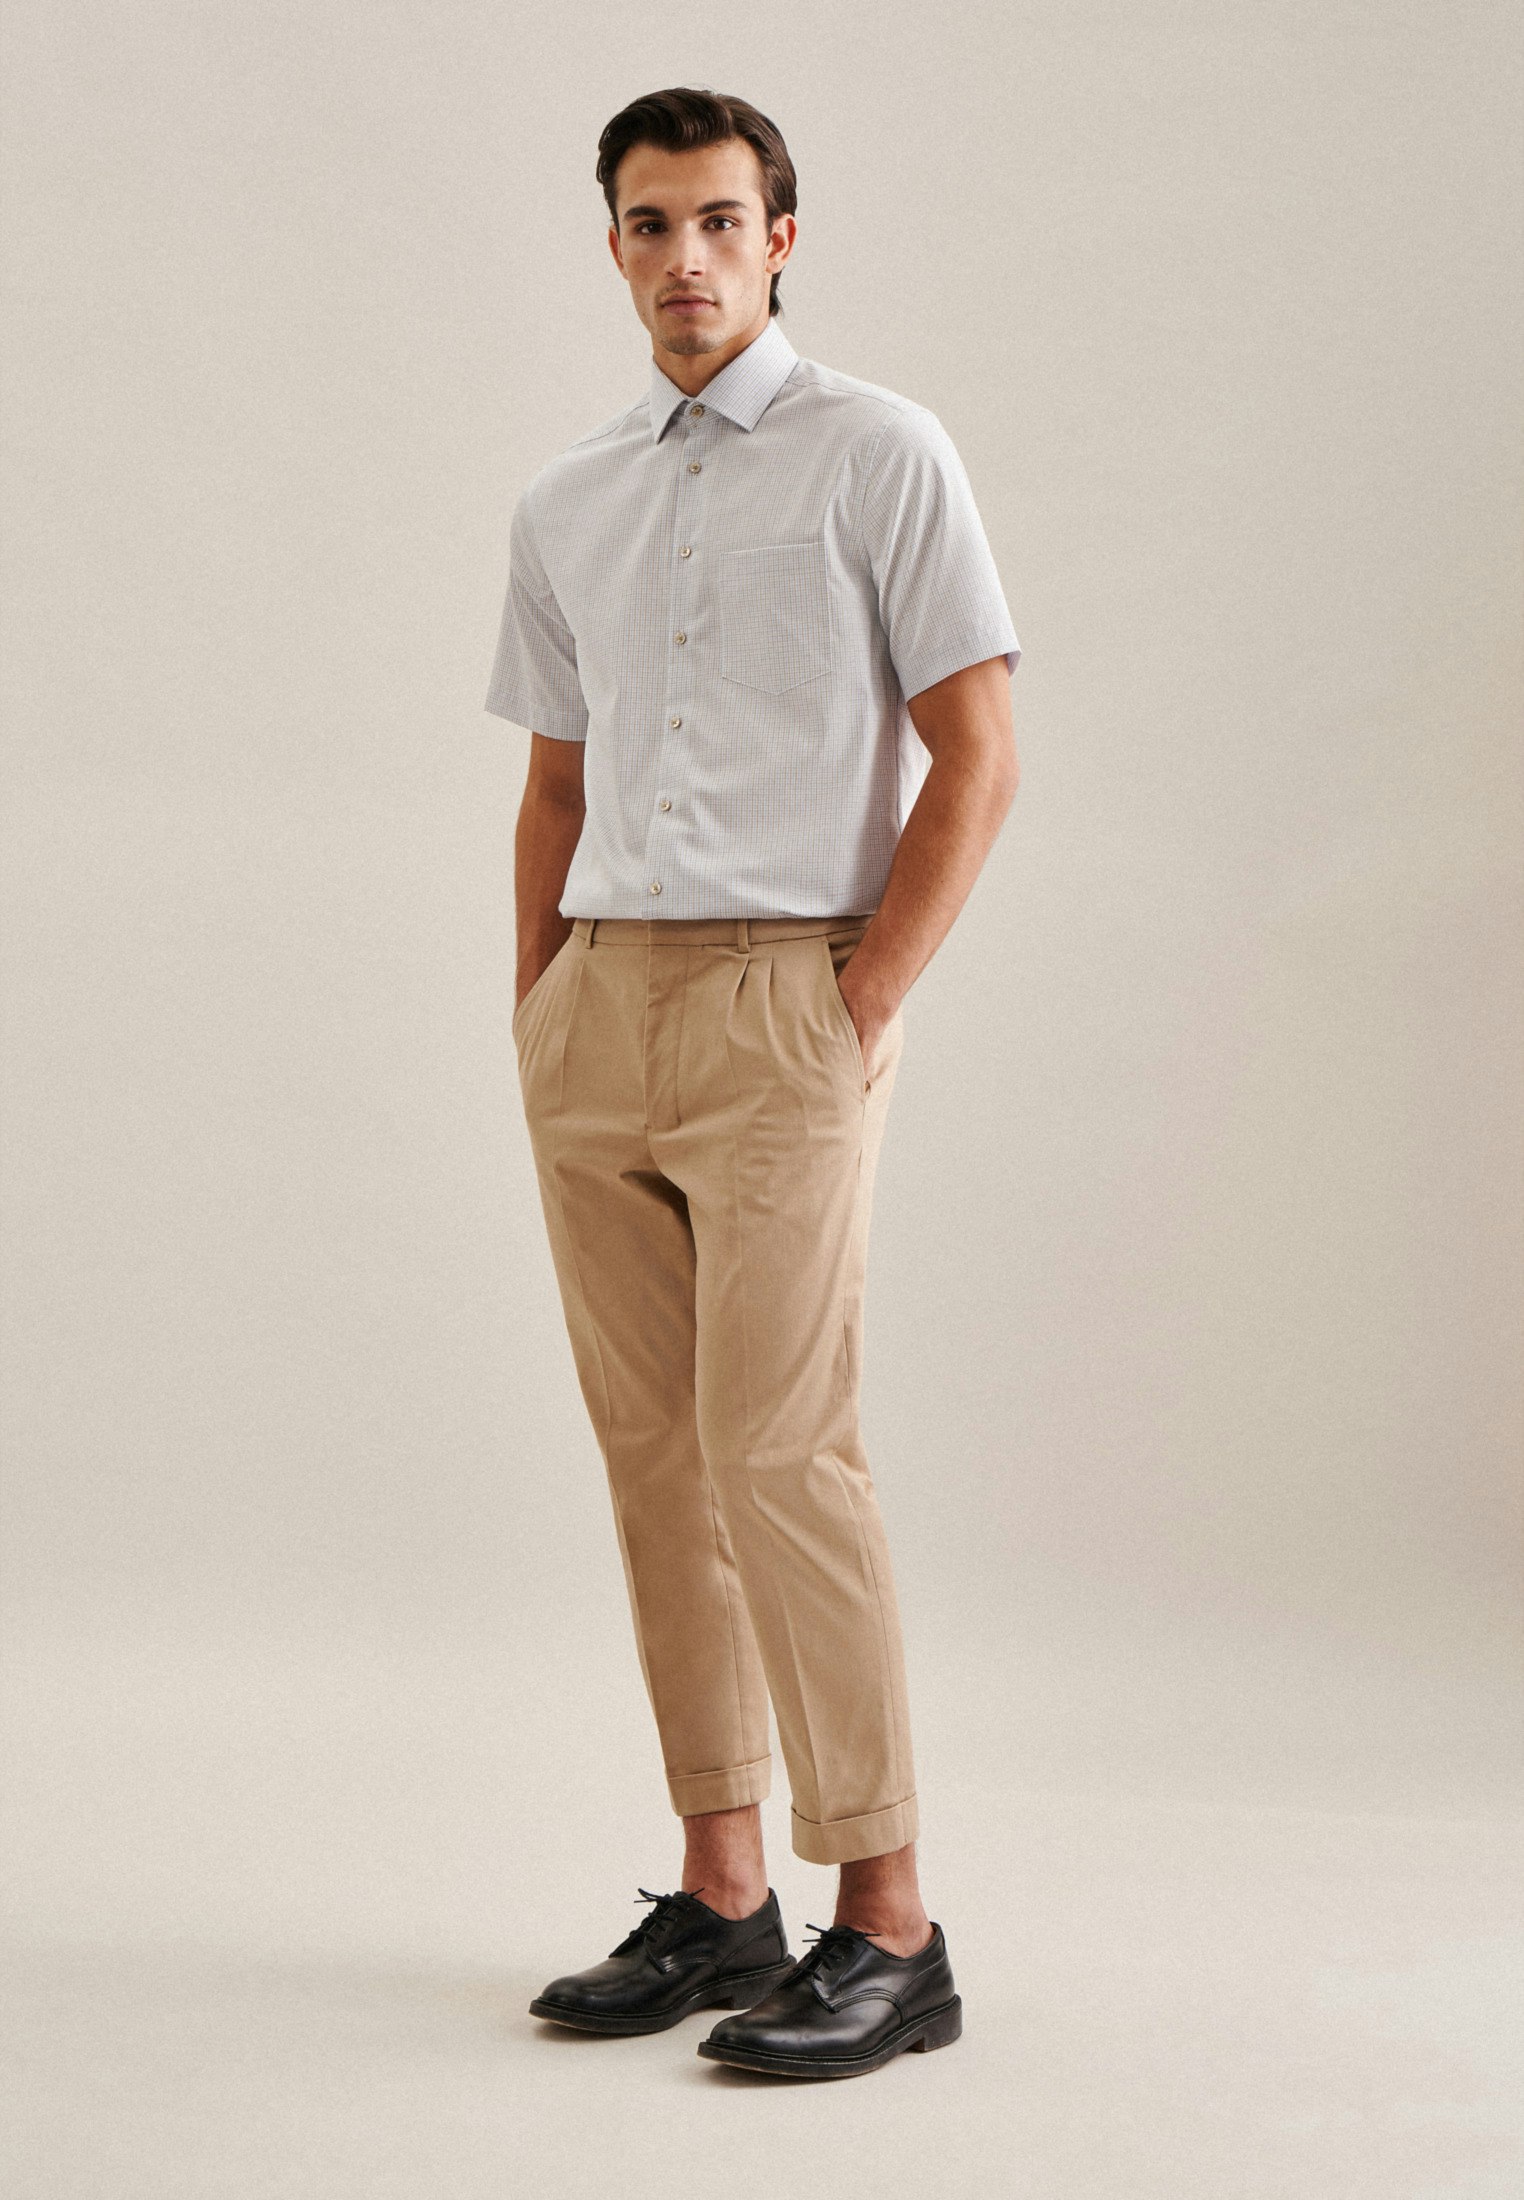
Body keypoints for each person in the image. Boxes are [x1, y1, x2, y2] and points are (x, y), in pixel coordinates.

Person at [483, 85, 1021, 2081]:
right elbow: (554, 781)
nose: (686, 257)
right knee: (656, 1455)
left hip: (788, 995)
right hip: (601, 1007)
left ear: (781, 236)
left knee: (782, 1450)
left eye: (721, 220)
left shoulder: (882, 452)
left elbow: (979, 752)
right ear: (614, 245)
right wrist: (538, 1006)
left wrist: (863, 994)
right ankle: (725, 1896)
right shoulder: (570, 497)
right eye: (651, 224)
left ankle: (895, 1923)